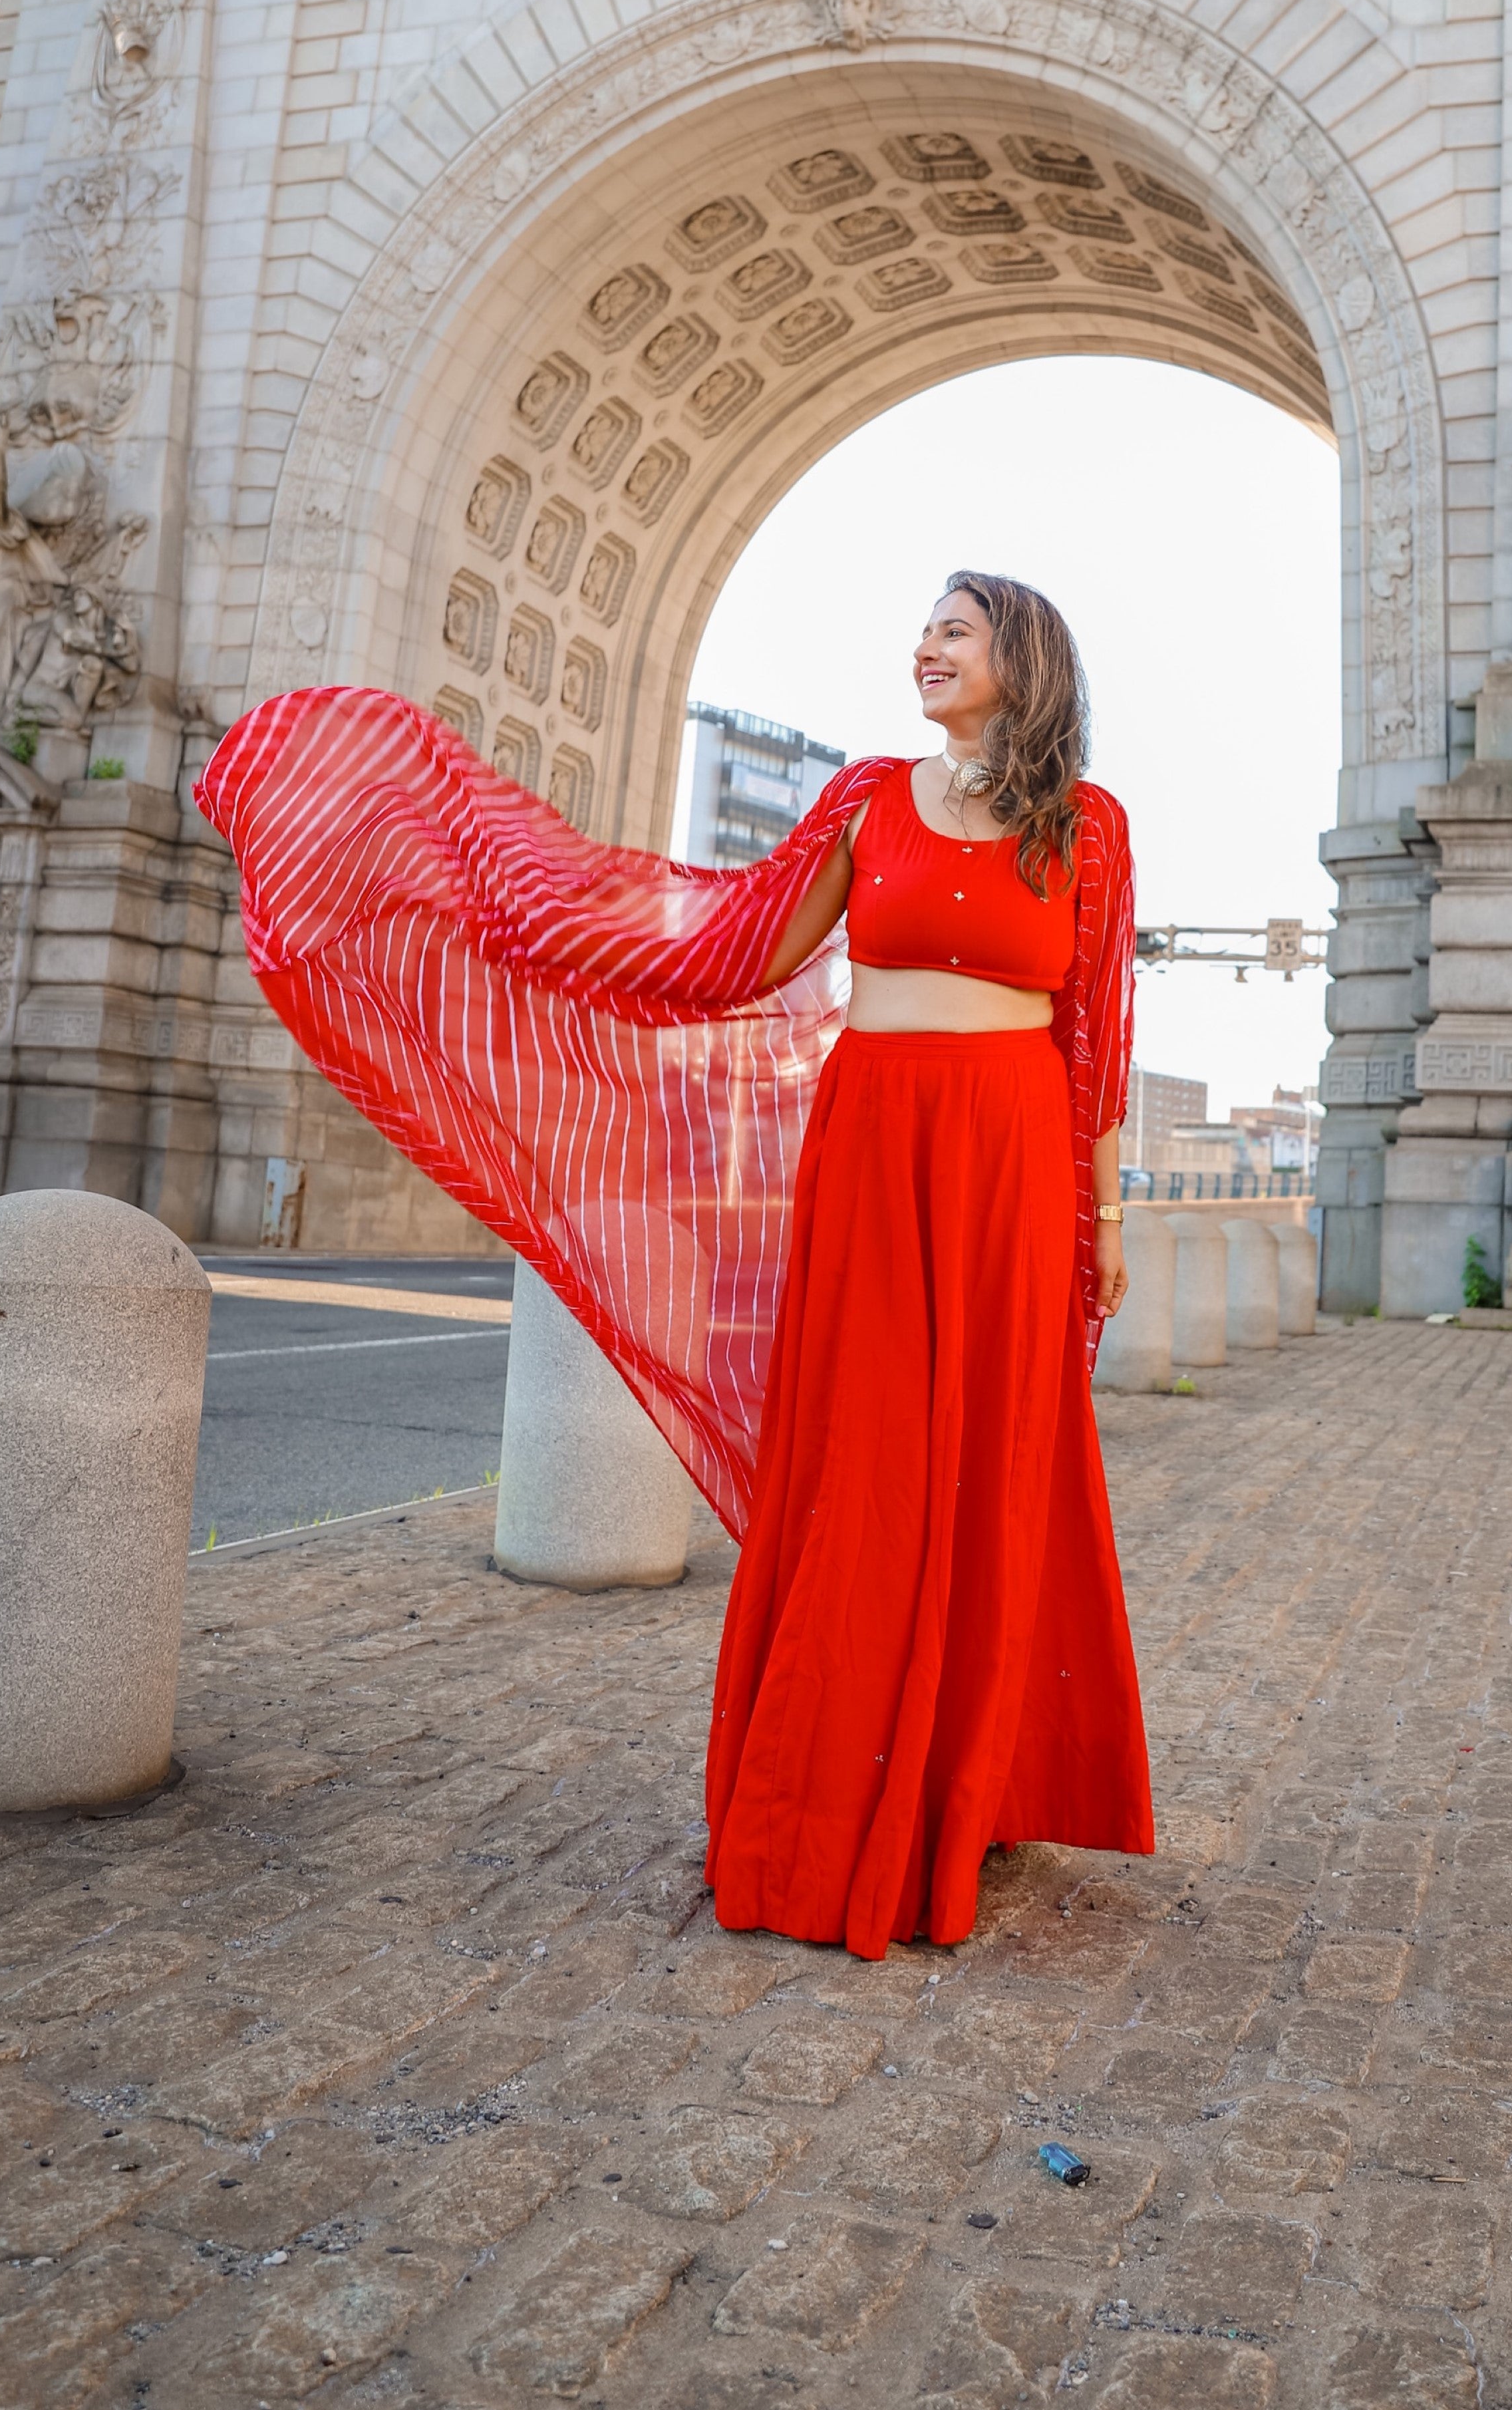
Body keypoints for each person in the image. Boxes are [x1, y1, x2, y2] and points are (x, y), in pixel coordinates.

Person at [195, 573, 1153, 1959]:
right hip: (874, 1147)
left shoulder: (1090, 828)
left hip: (1007, 1162)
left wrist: (1101, 1222)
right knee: (865, 1471)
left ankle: (966, 1785)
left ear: (1023, 654)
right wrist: (514, 912)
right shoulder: (865, 799)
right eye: (922, 629)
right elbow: (731, 953)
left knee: (986, 1469)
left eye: (953, 627)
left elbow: (1094, 1049)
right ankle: (828, 1801)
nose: (924, 646)